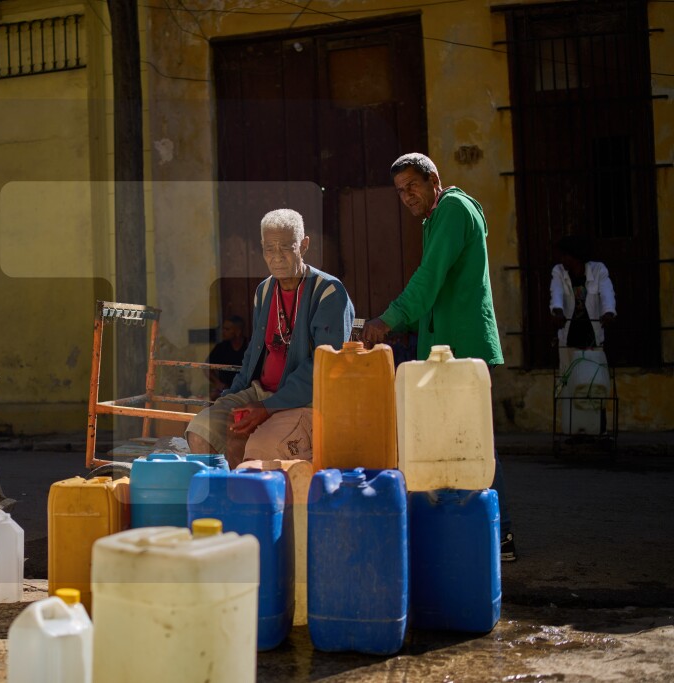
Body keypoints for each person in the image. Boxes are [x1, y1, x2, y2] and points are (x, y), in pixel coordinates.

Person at [360, 153, 516, 561]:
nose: (406, 196)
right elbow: (437, 286)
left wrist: (389, 318)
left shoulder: (452, 209)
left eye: (412, 186)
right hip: (446, 347)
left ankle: (498, 536)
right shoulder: (437, 218)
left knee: (474, 443)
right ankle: (471, 533)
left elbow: (428, 280)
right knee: (455, 441)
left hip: (462, 349)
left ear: (433, 179)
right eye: (399, 191)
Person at [186, 209, 354, 466]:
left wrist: (269, 408)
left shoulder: (328, 292)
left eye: (286, 248)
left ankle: (255, 499)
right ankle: (224, 499)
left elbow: (324, 364)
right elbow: (254, 354)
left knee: (257, 448)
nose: (276, 258)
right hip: (260, 394)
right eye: (268, 249)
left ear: (304, 245)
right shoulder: (264, 291)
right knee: (200, 431)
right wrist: (231, 396)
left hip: (306, 402)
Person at [550, 235, 616, 350]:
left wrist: (609, 312)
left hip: (592, 335)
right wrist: (558, 311)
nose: (562, 260)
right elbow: (556, 292)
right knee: (569, 367)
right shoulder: (559, 271)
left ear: (575, 256)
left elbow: (607, 293)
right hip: (569, 334)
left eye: (565, 256)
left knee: (594, 366)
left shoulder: (598, 269)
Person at [205, 315, 247, 401]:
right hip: (224, 391)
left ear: (238, 331)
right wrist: (217, 383)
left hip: (245, 390)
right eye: (223, 329)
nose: (223, 332)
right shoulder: (221, 347)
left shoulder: (249, 346)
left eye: (227, 329)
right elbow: (206, 367)